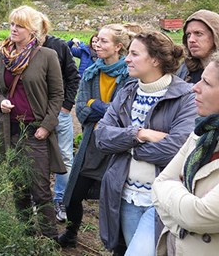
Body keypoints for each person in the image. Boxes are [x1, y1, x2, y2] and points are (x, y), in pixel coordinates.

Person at [95, 31, 197, 256]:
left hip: (159, 199)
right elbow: (101, 137)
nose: (127, 59)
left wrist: (125, 145)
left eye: (134, 54)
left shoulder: (185, 97)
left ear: (155, 60)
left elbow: (175, 149)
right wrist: (140, 134)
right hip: (125, 195)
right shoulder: (127, 92)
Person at [0, 5, 65, 240]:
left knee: (40, 190)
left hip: (35, 132)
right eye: (12, 24)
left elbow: (57, 95)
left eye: (19, 26)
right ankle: (26, 235)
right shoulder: (2, 54)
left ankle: (50, 239)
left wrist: (46, 126)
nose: (13, 29)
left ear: (31, 30)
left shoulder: (47, 56)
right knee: (18, 186)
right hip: (10, 130)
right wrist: (0, 101)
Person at [58, 24, 134, 248]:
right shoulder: (91, 72)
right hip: (91, 145)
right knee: (72, 196)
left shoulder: (130, 76)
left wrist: (97, 105)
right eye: (97, 40)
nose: (97, 44)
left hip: (116, 150)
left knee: (114, 203)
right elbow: (81, 110)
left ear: (118, 46)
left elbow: (124, 115)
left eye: (103, 41)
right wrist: (104, 109)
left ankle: (119, 247)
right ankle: (71, 234)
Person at [152, 53, 219, 256]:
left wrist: (172, 190)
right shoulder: (202, 133)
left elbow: (199, 216)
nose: (194, 87)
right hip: (175, 245)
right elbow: (158, 183)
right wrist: (185, 211)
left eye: (206, 83)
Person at [48, 29, 81, 224]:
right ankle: (40, 198)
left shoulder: (58, 45)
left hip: (61, 112)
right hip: (37, 112)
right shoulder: (22, 46)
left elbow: (73, 77)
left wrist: (67, 106)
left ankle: (60, 199)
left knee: (65, 156)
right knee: (38, 156)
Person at [177, 10, 219, 84]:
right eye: (188, 35)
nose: (191, 40)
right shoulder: (184, 71)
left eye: (198, 33)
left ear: (215, 36)